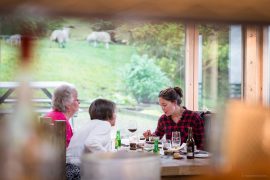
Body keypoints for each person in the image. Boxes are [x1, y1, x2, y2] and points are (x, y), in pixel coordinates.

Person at [66, 98, 116, 180]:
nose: (115, 115)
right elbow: (91, 143)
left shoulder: (89, 124)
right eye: (114, 112)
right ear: (108, 114)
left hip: (69, 169)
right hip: (78, 172)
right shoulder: (104, 124)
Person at [45, 83, 80, 148]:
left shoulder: (50, 115)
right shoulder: (61, 121)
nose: (79, 103)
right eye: (77, 100)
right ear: (68, 104)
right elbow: (69, 150)